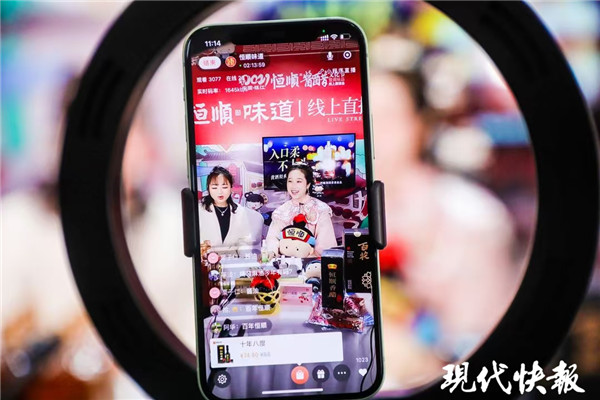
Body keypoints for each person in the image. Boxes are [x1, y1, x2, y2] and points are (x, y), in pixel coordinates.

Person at [265, 164, 337, 257]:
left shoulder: (320, 209)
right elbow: (272, 238)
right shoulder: (281, 211)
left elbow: (326, 245)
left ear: (308, 184)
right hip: (285, 262)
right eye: (290, 181)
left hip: (313, 263)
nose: (293, 186)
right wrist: (272, 252)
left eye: (299, 181)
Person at [198, 166, 263, 249]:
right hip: (206, 256)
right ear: (208, 189)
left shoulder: (240, 212)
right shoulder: (199, 211)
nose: (220, 192)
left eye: (224, 187)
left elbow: (244, 242)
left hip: (234, 256)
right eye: (214, 187)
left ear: (231, 188)